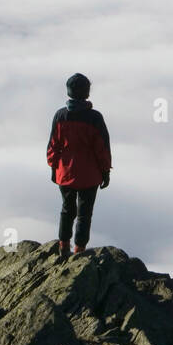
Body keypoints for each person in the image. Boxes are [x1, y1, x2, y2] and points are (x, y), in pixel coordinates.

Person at [46, 73, 111, 257]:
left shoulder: (60, 116)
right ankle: (79, 251)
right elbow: (102, 149)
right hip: (89, 176)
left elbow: (53, 145)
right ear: (87, 92)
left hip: (64, 173)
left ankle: (63, 247)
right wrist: (105, 172)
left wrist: (53, 167)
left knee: (67, 210)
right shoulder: (95, 118)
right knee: (84, 214)